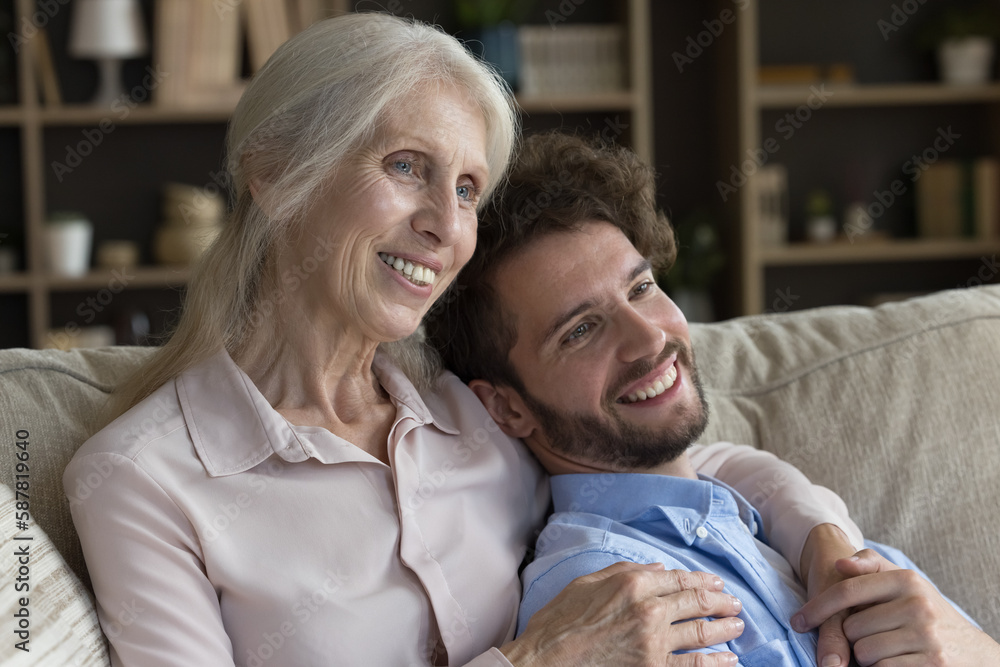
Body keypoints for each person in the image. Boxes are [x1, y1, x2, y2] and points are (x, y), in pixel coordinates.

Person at [66, 13, 871, 667]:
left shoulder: (471, 408)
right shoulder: (142, 479)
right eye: (407, 166)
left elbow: (688, 461)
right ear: (277, 174)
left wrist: (825, 540)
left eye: (466, 189)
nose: (448, 228)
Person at [425, 131, 1000, 666]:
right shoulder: (604, 597)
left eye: (641, 287)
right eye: (581, 330)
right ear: (507, 407)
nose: (650, 337)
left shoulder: (791, 534)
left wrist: (976, 651)